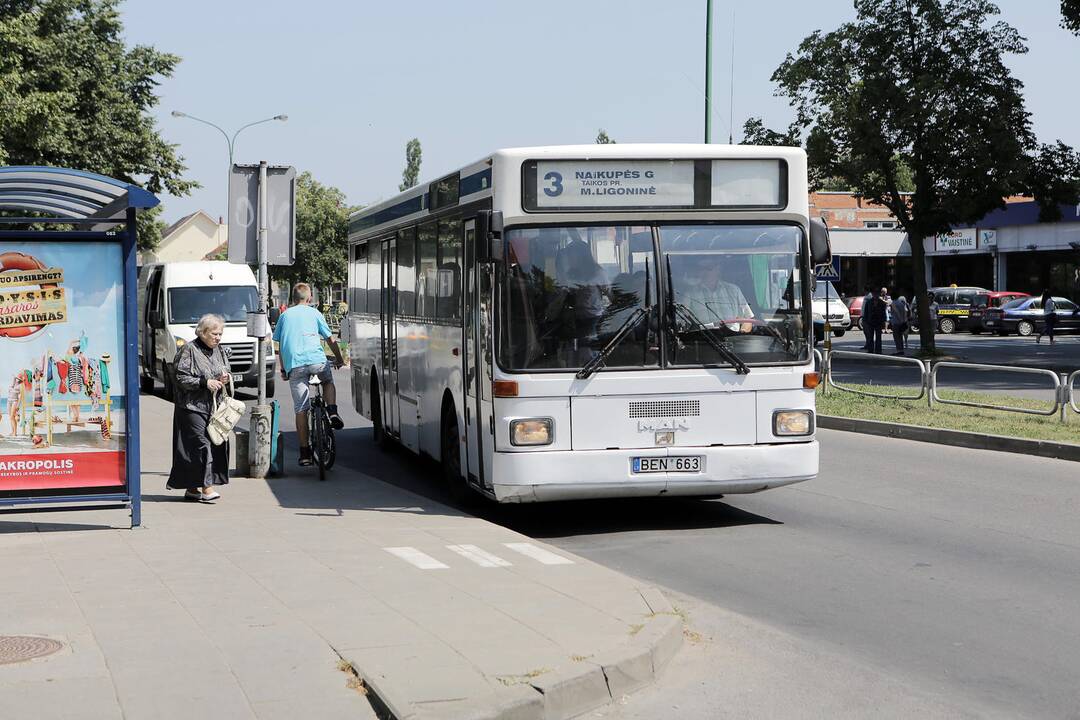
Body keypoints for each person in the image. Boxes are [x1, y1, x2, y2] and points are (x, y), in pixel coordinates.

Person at [274, 283, 348, 467]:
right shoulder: (315, 313)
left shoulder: (284, 316)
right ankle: (332, 412)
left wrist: (284, 369)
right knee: (328, 381)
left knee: (301, 409)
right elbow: (330, 338)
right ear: (309, 299)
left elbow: (281, 347)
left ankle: (305, 454)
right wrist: (339, 358)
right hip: (317, 361)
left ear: (292, 299)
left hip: (296, 366)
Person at [166, 314, 232, 502]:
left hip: (213, 407)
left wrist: (224, 378)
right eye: (214, 334)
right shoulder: (189, 349)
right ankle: (207, 488)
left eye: (220, 334)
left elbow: (225, 369)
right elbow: (179, 377)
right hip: (191, 407)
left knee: (209, 445)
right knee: (201, 445)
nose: (218, 337)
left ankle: (192, 488)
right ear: (202, 332)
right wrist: (204, 383)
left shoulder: (218, 350)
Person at [684, 259, 753, 329]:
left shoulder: (734, 290)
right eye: (701, 269)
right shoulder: (689, 295)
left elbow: (748, 319)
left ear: (718, 269)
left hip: (734, 337)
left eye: (708, 268)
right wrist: (712, 325)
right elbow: (683, 323)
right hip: (705, 338)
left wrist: (742, 332)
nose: (704, 271)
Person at [867, 288, 887, 354]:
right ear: (872, 294)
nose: (875, 295)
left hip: (878, 322)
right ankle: (870, 349)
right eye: (874, 294)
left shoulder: (882, 303)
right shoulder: (869, 302)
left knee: (878, 337)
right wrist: (866, 320)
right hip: (870, 322)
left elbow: (884, 313)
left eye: (876, 294)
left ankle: (878, 350)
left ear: (878, 294)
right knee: (870, 337)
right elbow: (866, 312)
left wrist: (884, 322)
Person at [861, 285, 875, 351]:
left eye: (863, 289)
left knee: (868, 332)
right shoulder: (866, 296)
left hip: (866, 317)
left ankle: (869, 345)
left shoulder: (869, 296)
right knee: (865, 332)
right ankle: (867, 344)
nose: (862, 290)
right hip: (864, 316)